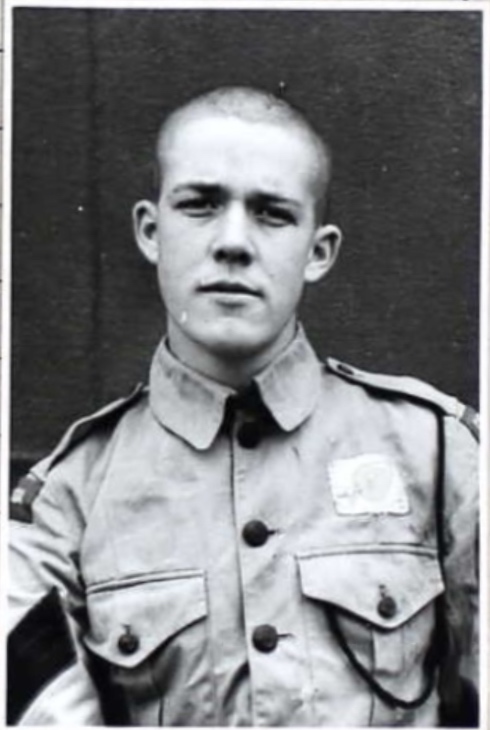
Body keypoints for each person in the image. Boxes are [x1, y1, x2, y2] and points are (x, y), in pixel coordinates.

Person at [8, 86, 479, 727]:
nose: (233, 242)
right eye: (200, 205)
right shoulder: (65, 503)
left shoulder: (440, 452)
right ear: (151, 232)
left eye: (272, 213)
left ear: (319, 251)